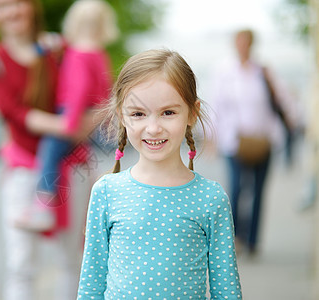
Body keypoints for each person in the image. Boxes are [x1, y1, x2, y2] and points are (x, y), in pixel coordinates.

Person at [77, 49, 242, 299]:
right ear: (122, 115)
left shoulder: (210, 198)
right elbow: (91, 286)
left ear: (192, 113)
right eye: (138, 114)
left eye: (168, 112)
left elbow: (227, 291)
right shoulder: (107, 191)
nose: (153, 128)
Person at [0, 0, 90, 299]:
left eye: (17, 3)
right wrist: (64, 125)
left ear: (32, 7)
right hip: (24, 170)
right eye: (1, 6)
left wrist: (84, 123)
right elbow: (13, 112)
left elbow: (91, 92)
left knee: (73, 261)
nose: (10, 11)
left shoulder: (59, 48)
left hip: (71, 167)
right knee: (21, 265)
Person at [16, 0, 119, 231]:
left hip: (72, 113)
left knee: (49, 152)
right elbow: (106, 89)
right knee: (90, 164)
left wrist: (68, 123)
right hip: (94, 116)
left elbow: (78, 89)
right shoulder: (99, 54)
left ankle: (42, 207)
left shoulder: (78, 53)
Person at [208, 29, 295, 255]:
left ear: (252, 45)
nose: (242, 46)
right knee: (236, 189)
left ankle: (253, 240)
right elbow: (216, 105)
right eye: (239, 42)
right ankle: (236, 236)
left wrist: (287, 125)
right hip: (234, 141)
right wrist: (212, 137)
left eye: (246, 43)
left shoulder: (263, 72)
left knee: (258, 191)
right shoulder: (224, 72)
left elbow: (281, 101)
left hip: (262, 140)